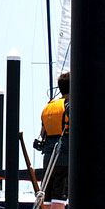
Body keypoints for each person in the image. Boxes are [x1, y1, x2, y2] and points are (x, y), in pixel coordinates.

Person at [34, 71, 71, 200]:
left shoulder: (47, 107)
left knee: (48, 195)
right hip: (65, 156)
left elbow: (42, 133)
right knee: (60, 197)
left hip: (49, 158)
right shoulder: (69, 105)